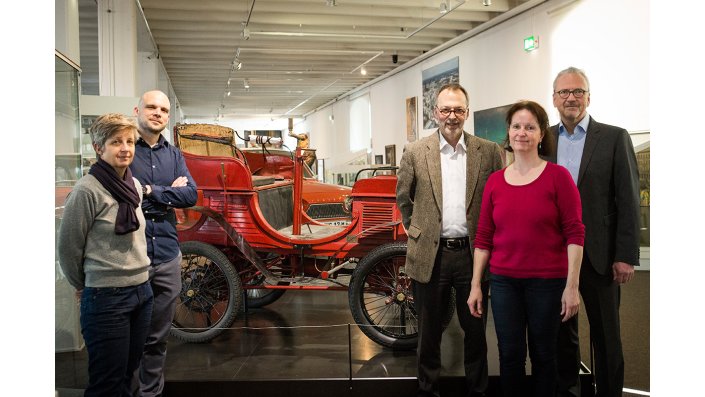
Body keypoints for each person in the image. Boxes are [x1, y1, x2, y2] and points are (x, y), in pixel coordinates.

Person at [467, 101, 585, 396]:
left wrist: (572, 287)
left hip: (547, 283)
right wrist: (475, 286)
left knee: (545, 357)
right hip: (505, 283)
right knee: (509, 356)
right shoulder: (495, 182)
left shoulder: (558, 178)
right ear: (508, 132)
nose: (522, 133)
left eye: (530, 127)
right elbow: (483, 238)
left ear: (541, 134)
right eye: (517, 126)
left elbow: (575, 234)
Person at [396, 83, 503, 397]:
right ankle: (428, 389)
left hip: (474, 257)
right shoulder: (416, 152)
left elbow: (498, 199)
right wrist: (417, 231)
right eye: (446, 109)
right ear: (435, 113)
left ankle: (477, 390)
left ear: (467, 113)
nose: (452, 116)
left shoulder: (489, 152)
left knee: (476, 332)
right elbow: (404, 198)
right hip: (431, 255)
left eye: (458, 109)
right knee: (428, 334)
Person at [548, 67, 641, 397]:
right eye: (564, 92)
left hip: (600, 257)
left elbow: (628, 198)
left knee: (607, 337)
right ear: (554, 98)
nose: (570, 98)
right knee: (562, 337)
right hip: (556, 257)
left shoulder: (615, 137)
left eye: (577, 91)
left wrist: (626, 256)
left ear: (589, 96)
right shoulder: (545, 139)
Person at [58, 113, 153, 397]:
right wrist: (82, 285)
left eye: (129, 141)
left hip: (141, 292)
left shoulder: (134, 186)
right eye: (115, 142)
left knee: (128, 374)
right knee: (107, 383)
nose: (125, 148)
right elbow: (68, 247)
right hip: (106, 297)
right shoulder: (87, 189)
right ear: (99, 147)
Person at [131, 90, 198, 397]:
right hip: (132, 255)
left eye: (163, 109)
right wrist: (164, 193)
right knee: (129, 336)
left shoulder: (174, 155)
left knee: (158, 337)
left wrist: (148, 191)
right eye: (151, 107)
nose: (157, 112)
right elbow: (123, 197)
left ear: (168, 116)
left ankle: (150, 394)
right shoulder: (126, 150)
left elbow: (190, 195)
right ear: (137, 110)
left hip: (168, 255)